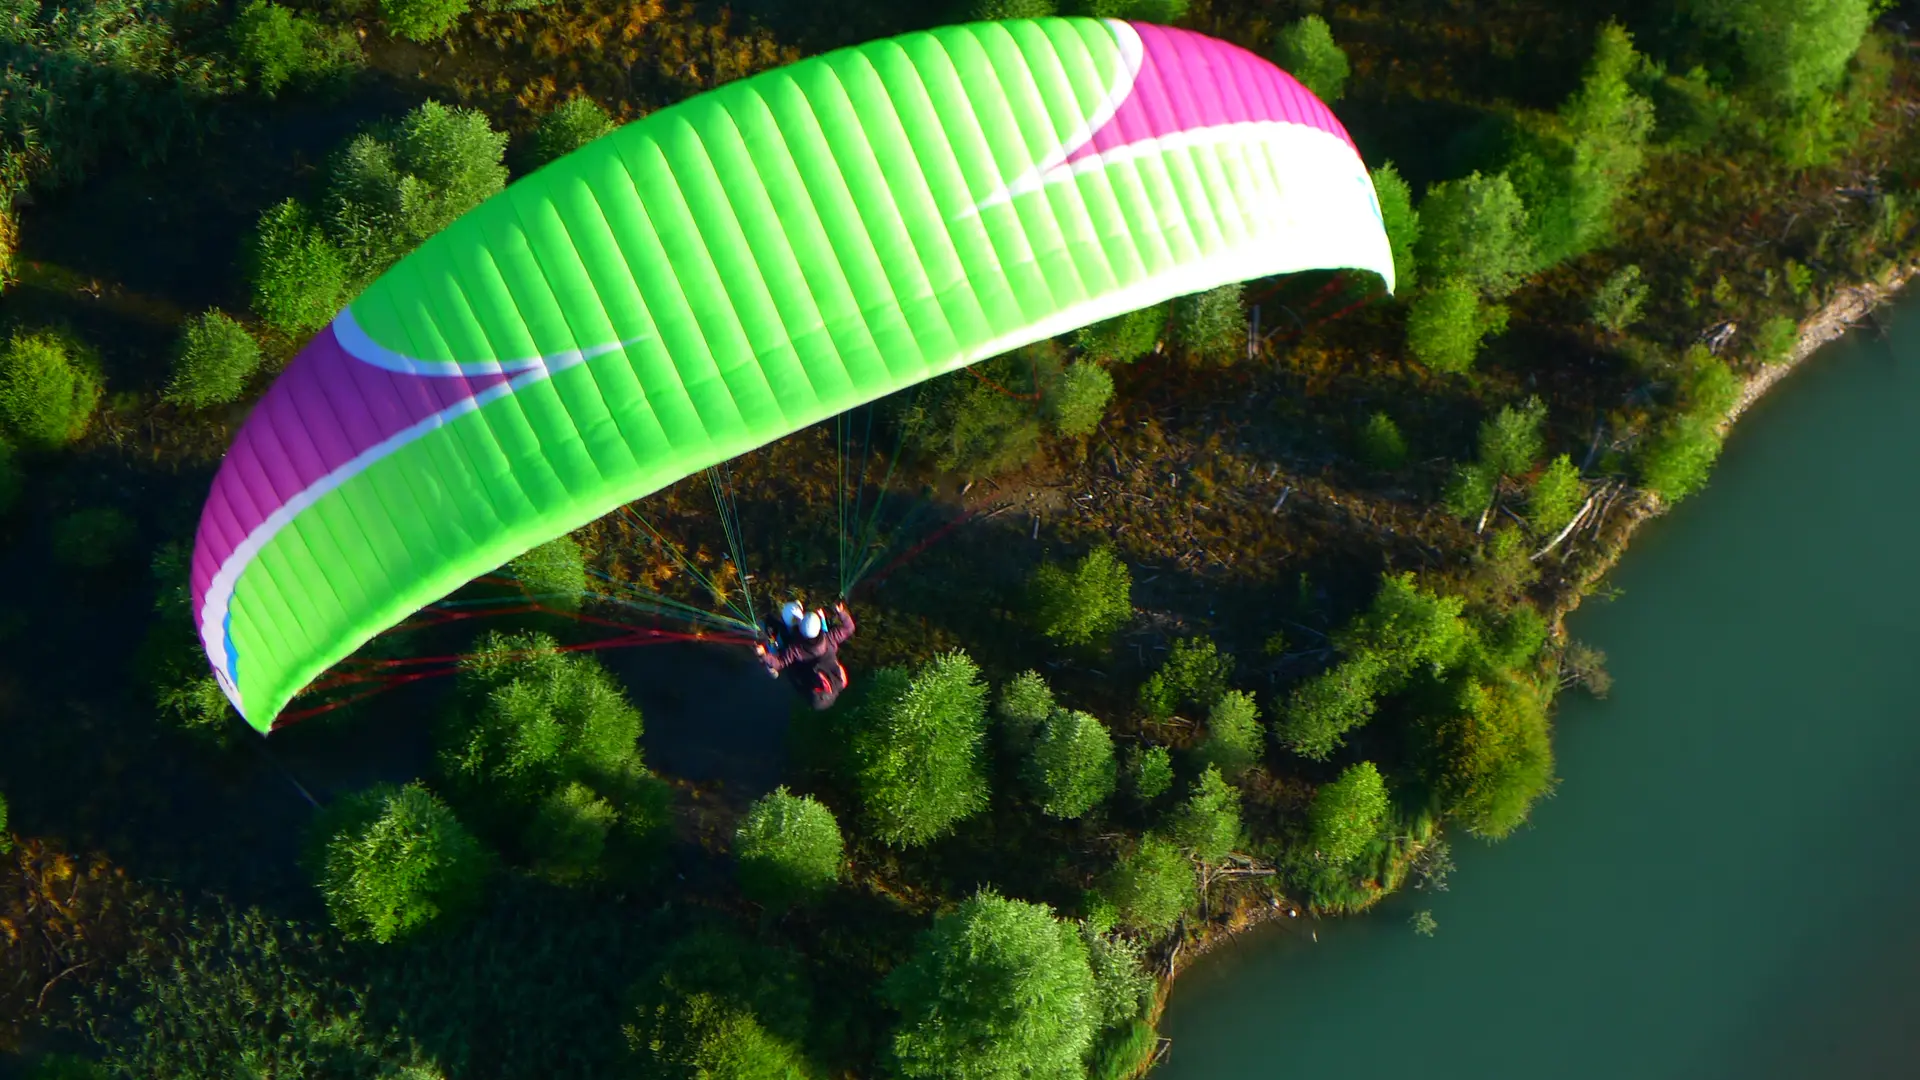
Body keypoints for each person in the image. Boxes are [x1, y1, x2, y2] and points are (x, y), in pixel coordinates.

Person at [755, 600, 857, 709]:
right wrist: (841, 613)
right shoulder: (829, 640)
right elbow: (849, 628)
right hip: (806, 670)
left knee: (777, 635)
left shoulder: (796, 649)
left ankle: (771, 666)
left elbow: (779, 662)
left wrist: (763, 655)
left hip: (800, 669)